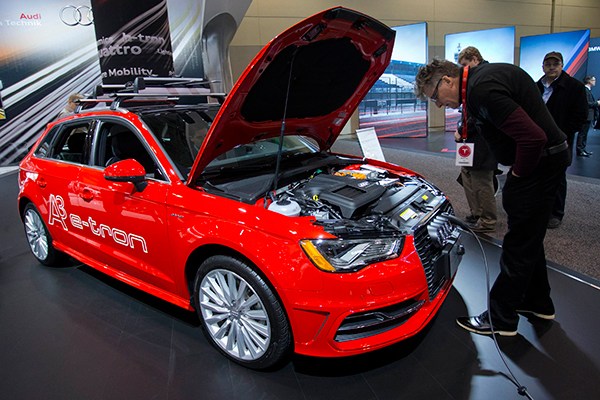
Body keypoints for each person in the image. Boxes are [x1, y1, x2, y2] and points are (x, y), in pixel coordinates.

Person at [415, 59, 568, 336]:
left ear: (448, 80)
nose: (438, 104)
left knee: (519, 243)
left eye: (435, 96)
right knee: (529, 237)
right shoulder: (485, 77)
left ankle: (501, 319)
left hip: (538, 167)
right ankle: (537, 302)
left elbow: (533, 138)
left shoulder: (481, 89)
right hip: (547, 162)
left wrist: (518, 175)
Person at [535, 52, 587, 229]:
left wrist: (563, 134)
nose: (551, 67)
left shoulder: (575, 87)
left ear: (562, 65)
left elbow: (580, 116)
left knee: (557, 178)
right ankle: (540, 210)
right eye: (547, 64)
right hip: (538, 140)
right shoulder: (536, 87)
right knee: (538, 175)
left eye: (555, 64)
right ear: (543, 66)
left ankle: (555, 213)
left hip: (560, 141)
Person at [455, 46, 498, 233]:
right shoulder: (472, 80)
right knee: (467, 176)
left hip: (483, 140)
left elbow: (480, 113)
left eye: (465, 65)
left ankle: (488, 221)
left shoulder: (484, 79)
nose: (463, 70)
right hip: (469, 140)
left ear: (474, 59)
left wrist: (462, 129)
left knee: (482, 181)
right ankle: (476, 213)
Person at [579, 75, 600, 157]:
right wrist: (597, 103)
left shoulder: (587, 90)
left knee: (584, 133)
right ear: (589, 81)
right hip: (586, 115)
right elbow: (587, 103)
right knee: (582, 133)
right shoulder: (585, 90)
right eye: (593, 80)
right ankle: (580, 150)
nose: (595, 82)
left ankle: (583, 149)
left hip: (588, 115)